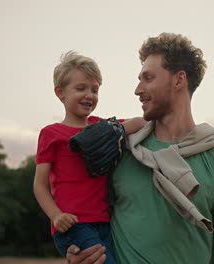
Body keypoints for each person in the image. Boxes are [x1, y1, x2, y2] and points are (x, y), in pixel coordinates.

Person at [65, 32, 214, 264]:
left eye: (148, 78)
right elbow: (92, 225)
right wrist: (78, 257)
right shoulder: (122, 150)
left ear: (179, 80)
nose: (138, 90)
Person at [33, 51, 145, 264]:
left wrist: (122, 127)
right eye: (81, 88)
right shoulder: (51, 133)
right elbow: (39, 185)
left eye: (95, 90)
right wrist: (56, 216)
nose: (89, 95)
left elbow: (139, 122)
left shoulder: (101, 127)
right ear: (60, 92)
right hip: (73, 224)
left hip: (104, 222)